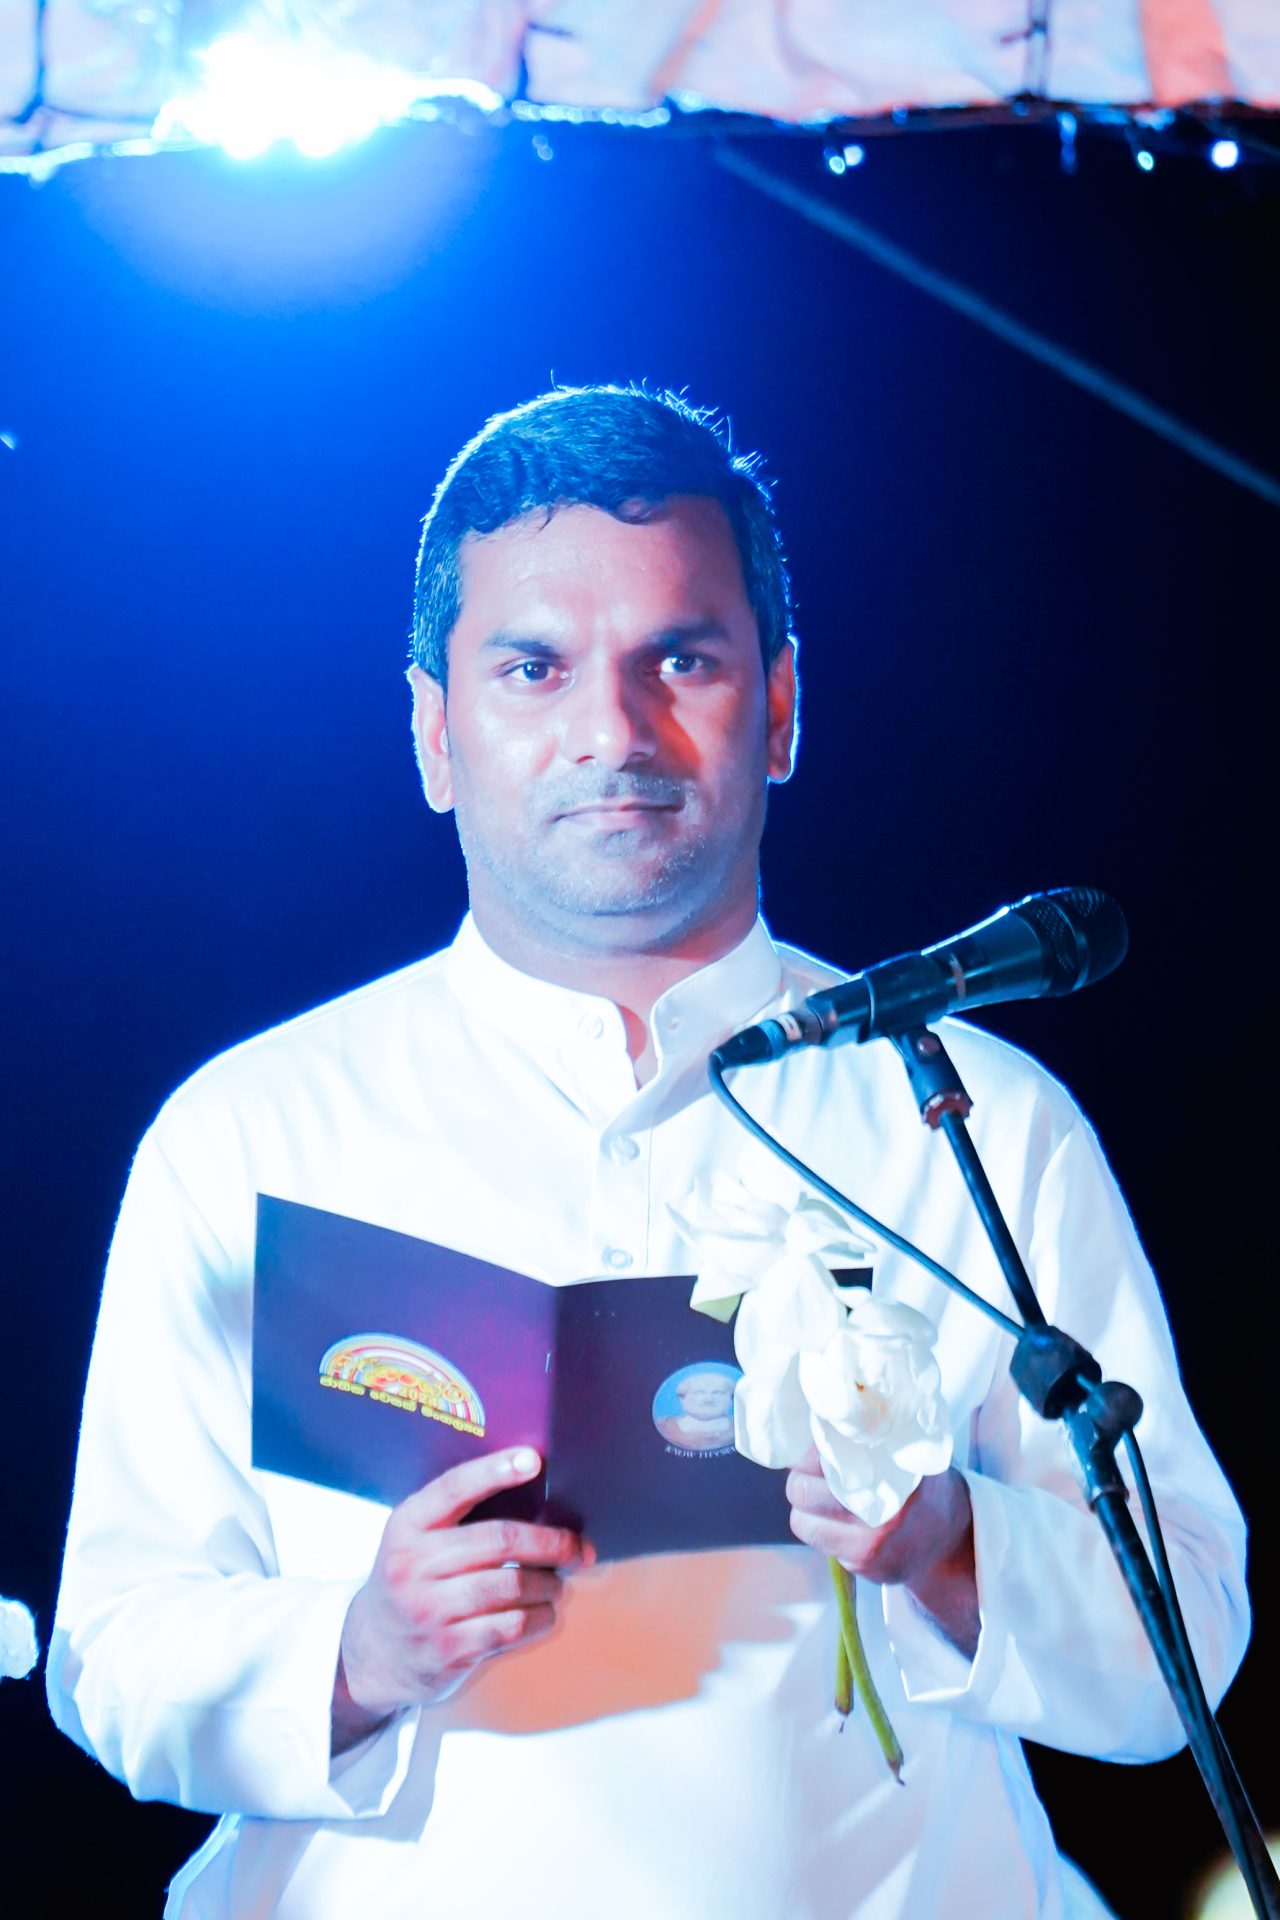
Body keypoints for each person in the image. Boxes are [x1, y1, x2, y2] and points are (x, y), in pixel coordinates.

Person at [48, 386, 1249, 1919]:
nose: (613, 732)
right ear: (434, 730)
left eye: (681, 659)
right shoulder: (257, 1130)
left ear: (786, 704)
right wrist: (360, 1649)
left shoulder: (970, 1114)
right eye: (532, 668)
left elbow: (1186, 1649)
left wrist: (948, 1540)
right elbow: (113, 1654)